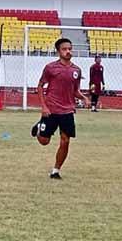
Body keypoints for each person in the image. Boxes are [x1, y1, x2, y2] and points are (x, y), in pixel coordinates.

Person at [32, 38, 88, 179]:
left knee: (65, 140)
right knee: (44, 141)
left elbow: (75, 91)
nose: (68, 51)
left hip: (67, 110)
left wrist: (84, 98)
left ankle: (56, 170)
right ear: (58, 51)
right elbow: (40, 86)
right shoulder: (50, 68)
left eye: (70, 49)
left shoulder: (76, 70)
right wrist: (44, 106)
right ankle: (39, 127)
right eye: (64, 49)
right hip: (51, 109)